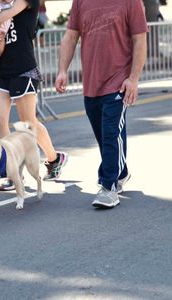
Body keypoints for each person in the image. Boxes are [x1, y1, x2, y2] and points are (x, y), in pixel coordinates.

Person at [55, 0, 147, 208]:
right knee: (102, 133)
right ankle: (120, 172)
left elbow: (139, 39)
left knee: (110, 132)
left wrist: (133, 78)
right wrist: (62, 70)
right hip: (92, 83)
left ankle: (108, 187)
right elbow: (70, 36)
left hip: (118, 81)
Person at [0, 0, 68, 191]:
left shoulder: (23, 2)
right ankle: (14, 173)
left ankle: (54, 159)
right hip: (2, 70)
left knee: (28, 123)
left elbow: (1, 18)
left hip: (23, 69)